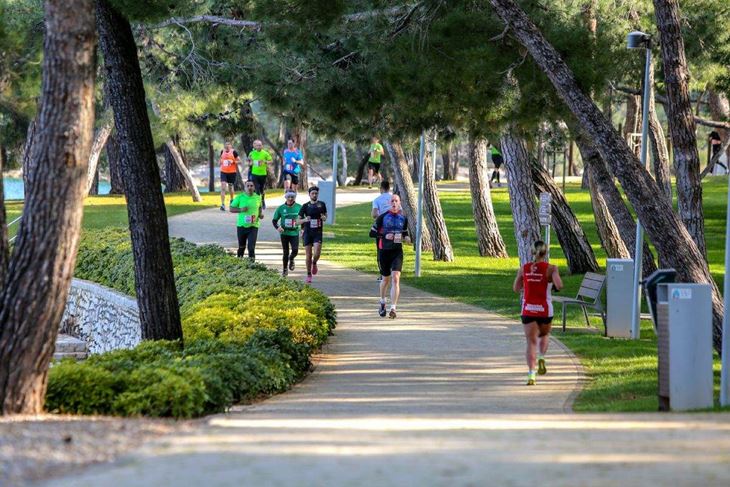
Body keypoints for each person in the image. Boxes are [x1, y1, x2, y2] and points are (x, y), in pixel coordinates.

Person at [513, 241, 563, 386]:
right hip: (545, 310)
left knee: (531, 342)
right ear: (545, 253)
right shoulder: (551, 268)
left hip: (528, 309)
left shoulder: (524, 268)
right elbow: (559, 285)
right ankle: (541, 357)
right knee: (544, 335)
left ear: (532, 252)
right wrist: (553, 281)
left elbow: (516, 288)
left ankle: (531, 375)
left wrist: (527, 283)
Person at [370, 194, 409, 319]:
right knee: (385, 280)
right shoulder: (382, 217)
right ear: (389, 203)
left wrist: (406, 237)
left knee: (396, 278)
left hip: (397, 251)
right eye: (392, 201)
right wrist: (383, 236)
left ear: (399, 203)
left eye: (396, 201)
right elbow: (372, 233)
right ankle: (382, 301)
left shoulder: (403, 218)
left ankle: (393, 308)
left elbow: (405, 232)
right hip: (384, 251)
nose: (394, 203)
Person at [298, 186, 327, 284]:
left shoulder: (322, 204)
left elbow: (325, 216)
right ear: (309, 194)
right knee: (308, 255)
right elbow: (297, 221)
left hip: (317, 232)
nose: (314, 195)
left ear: (318, 194)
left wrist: (324, 218)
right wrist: (305, 220)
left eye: (316, 193)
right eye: (312, 193)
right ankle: (308, 274)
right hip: (307, 232)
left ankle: (314, 263)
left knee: (317, 253)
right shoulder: (305, 206)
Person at [229, 180, 263, 261]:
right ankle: (239, 264)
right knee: (241, 247)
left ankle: (252, 266)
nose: (249, 187)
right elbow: (231, 208)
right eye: (247, 186)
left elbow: (260, 207)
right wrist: (240, 209)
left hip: (253, 226)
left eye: (251, 186)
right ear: (244, 188)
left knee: (251, 248)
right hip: (241, 226)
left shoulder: (258, 197)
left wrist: (260, 214)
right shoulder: (240, 197)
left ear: (254, 187)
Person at [272, 191, 302, 277]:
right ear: (285, 197)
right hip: (284, 233)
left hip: (294, 232)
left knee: (295, 250)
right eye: (288, 197)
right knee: (286, 252)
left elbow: (303, 219)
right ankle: (285, 270)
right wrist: (278, 227)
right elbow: (274, 221)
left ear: (295, 197)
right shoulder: (281, 208)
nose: (290, 199)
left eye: (292, 197)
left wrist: (303, 229)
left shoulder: (299, 207)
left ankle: (291, 258)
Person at [371, 180, 393, 282]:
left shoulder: (377, 200)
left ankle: (383, 274)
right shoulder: (395, 199)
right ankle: (393, 271)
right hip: (394, 229)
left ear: (381, 188)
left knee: (381, 251)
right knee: (394, 250)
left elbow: (374, 214)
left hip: (382, 230)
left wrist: (380, 216)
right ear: (389, 188)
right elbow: (401, 212)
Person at [248, 139, 272, 209]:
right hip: (254, 173)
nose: (259, 146)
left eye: (260, 145)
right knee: (257, 189)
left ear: (262, 146)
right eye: (258, 145)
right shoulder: (252, 153)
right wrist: (250, 163)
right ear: (255, 146)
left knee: (262, 189)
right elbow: (249, 162)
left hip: (263, 174)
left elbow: (270, 161)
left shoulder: (265, 153)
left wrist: (265, 161)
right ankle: (258, 203)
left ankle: (263, 200)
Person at [219, 141, 241, 211]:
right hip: (223, 172)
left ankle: (231, 200)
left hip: (232, 172)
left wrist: (233, 161)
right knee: (223, 187)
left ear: (231, 146)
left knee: (230, 187)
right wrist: (221, 162)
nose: (227, 146)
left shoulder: (234, 152)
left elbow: (240, 161)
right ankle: (222, 204)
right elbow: (220, 160)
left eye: (228, 145)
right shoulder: (222, 151)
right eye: (226, 145)